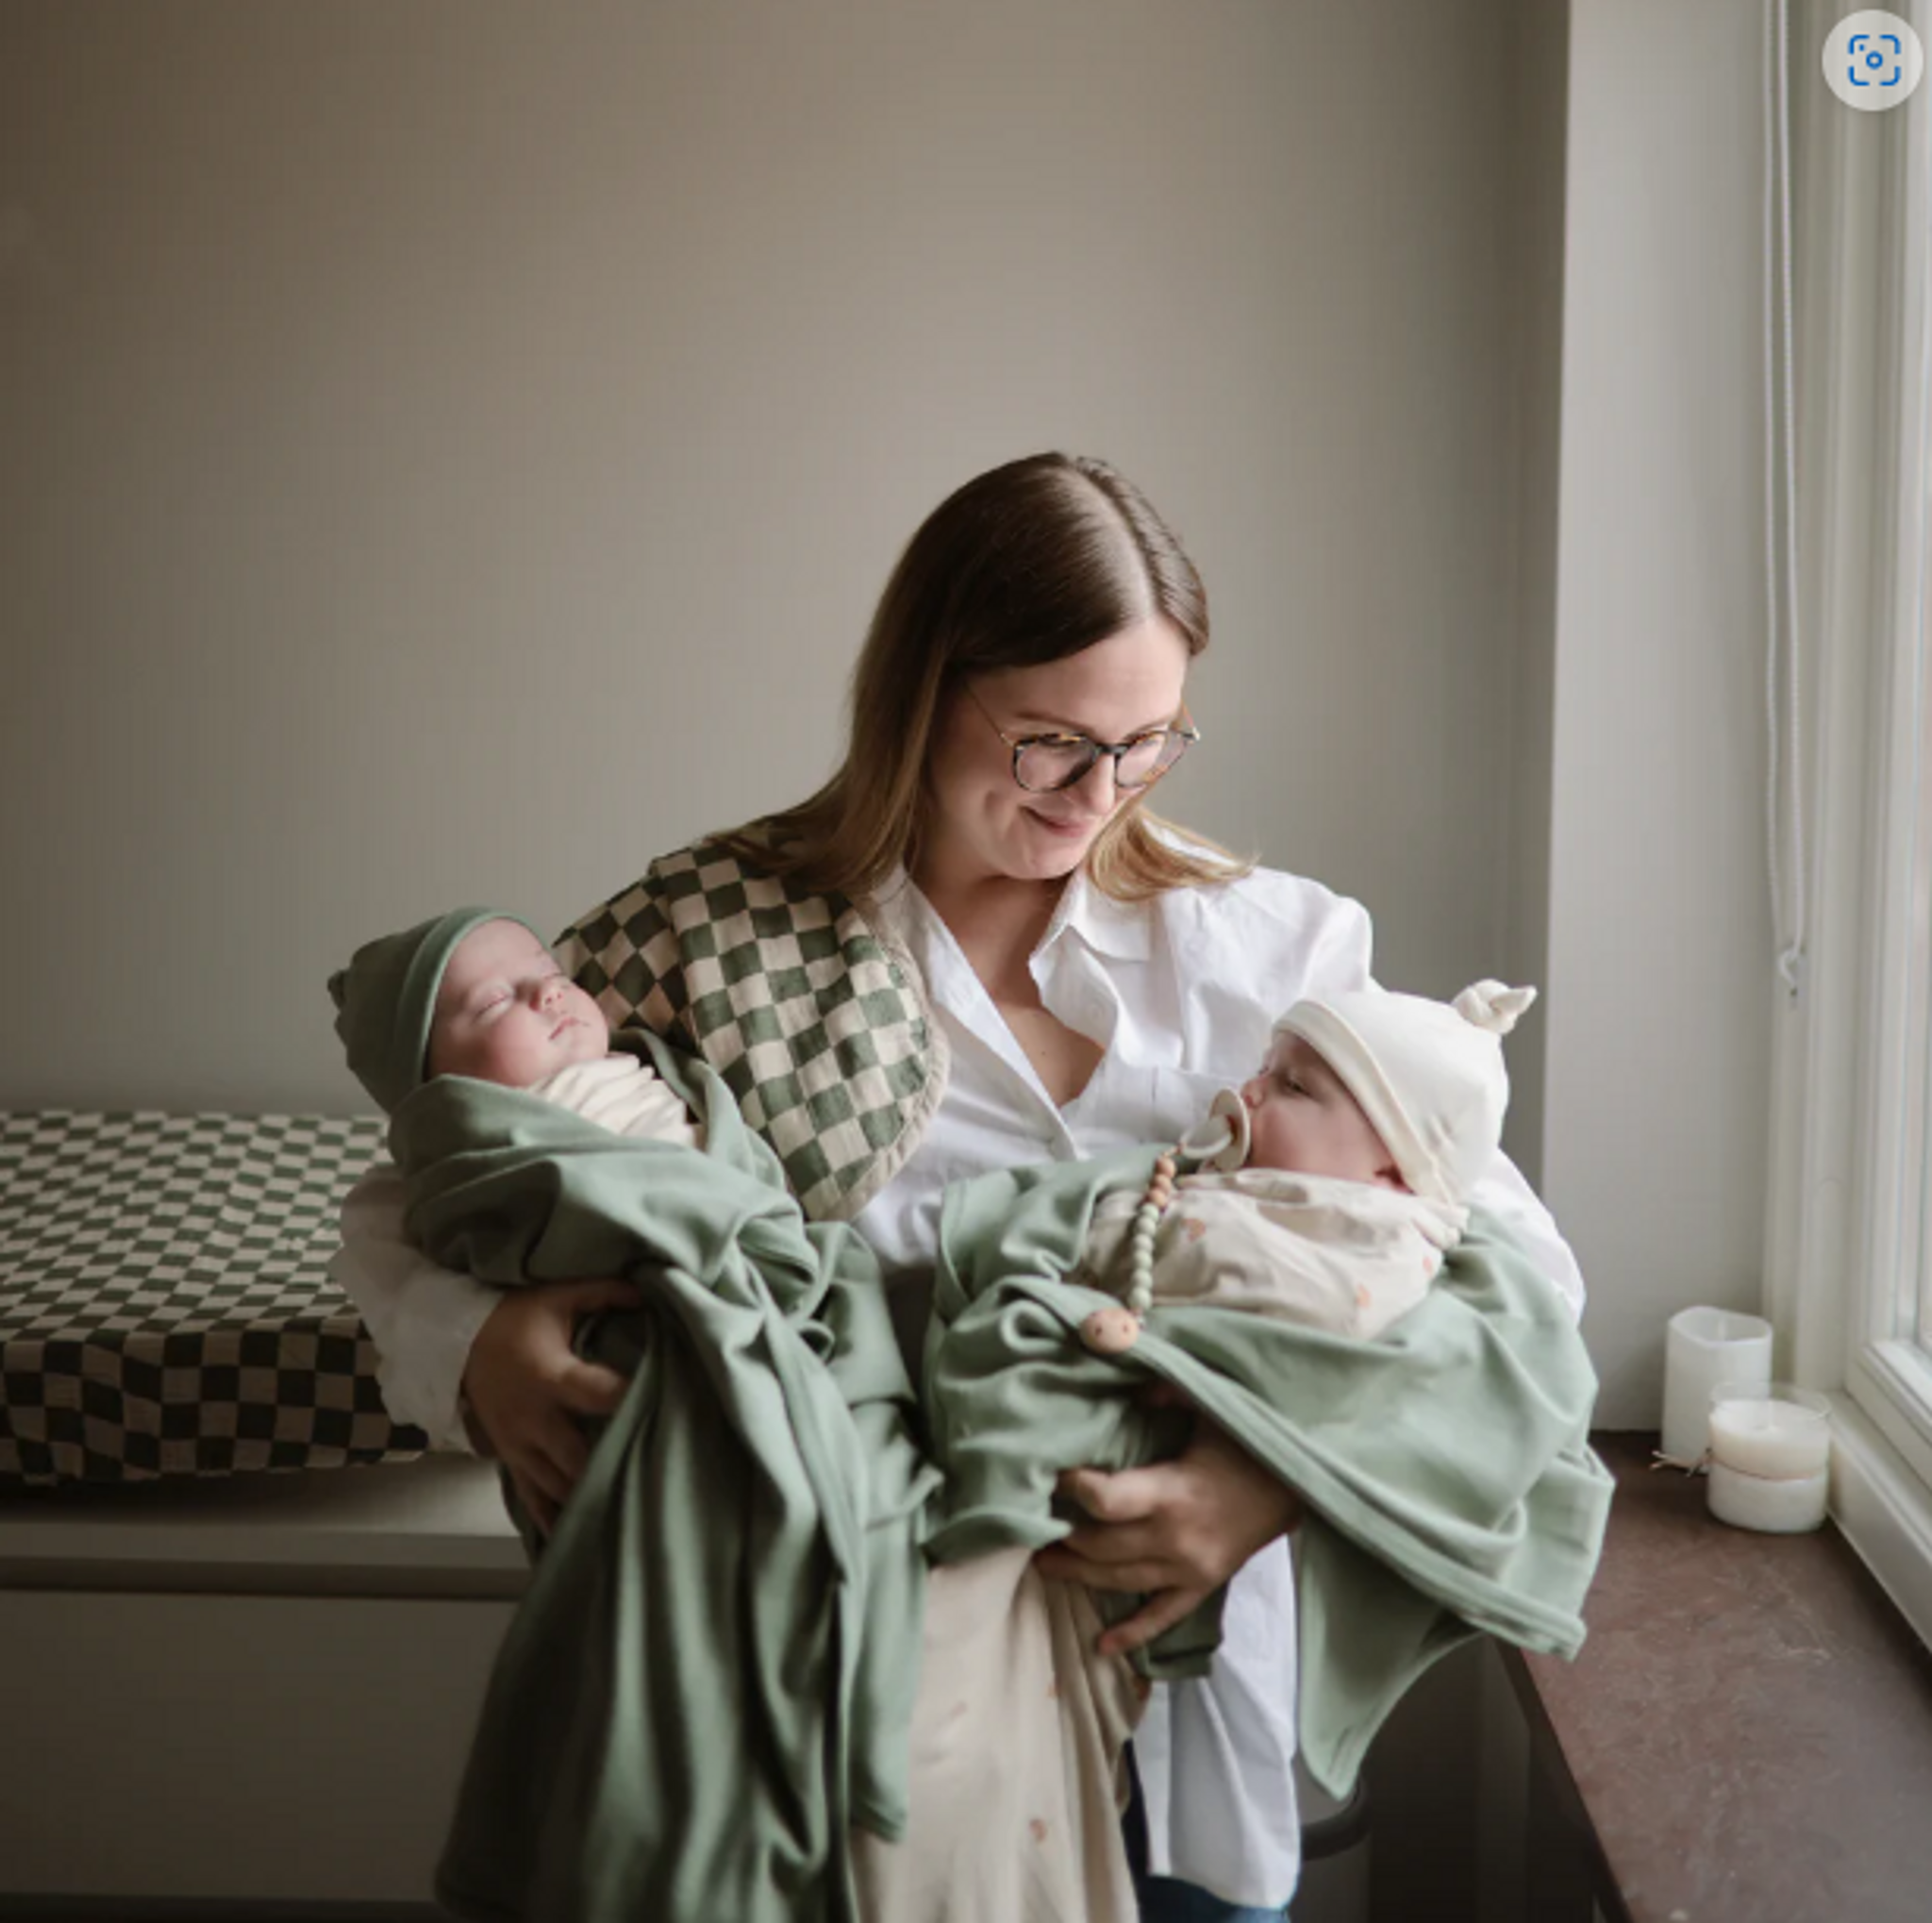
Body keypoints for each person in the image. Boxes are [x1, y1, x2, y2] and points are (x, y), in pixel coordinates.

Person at [331, 450, 1585, 1920]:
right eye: (1051, 741)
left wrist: (1266, 1481)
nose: (1096, 795)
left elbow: (1510, 1266)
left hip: (1178, 1683)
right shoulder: (708, 935)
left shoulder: (1276, 958)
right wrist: (474, 1342)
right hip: (838, 1690)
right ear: (923, 689)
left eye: (1150, 743)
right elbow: (424, 1169)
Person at [1074, 978, 1537, 1348]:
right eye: (1262, 1070)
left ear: (1392, 1171)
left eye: (1294, 1087)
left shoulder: (1381, 1241)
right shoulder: (1187, 1175)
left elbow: (1327, 1330)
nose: (1248, 1092)